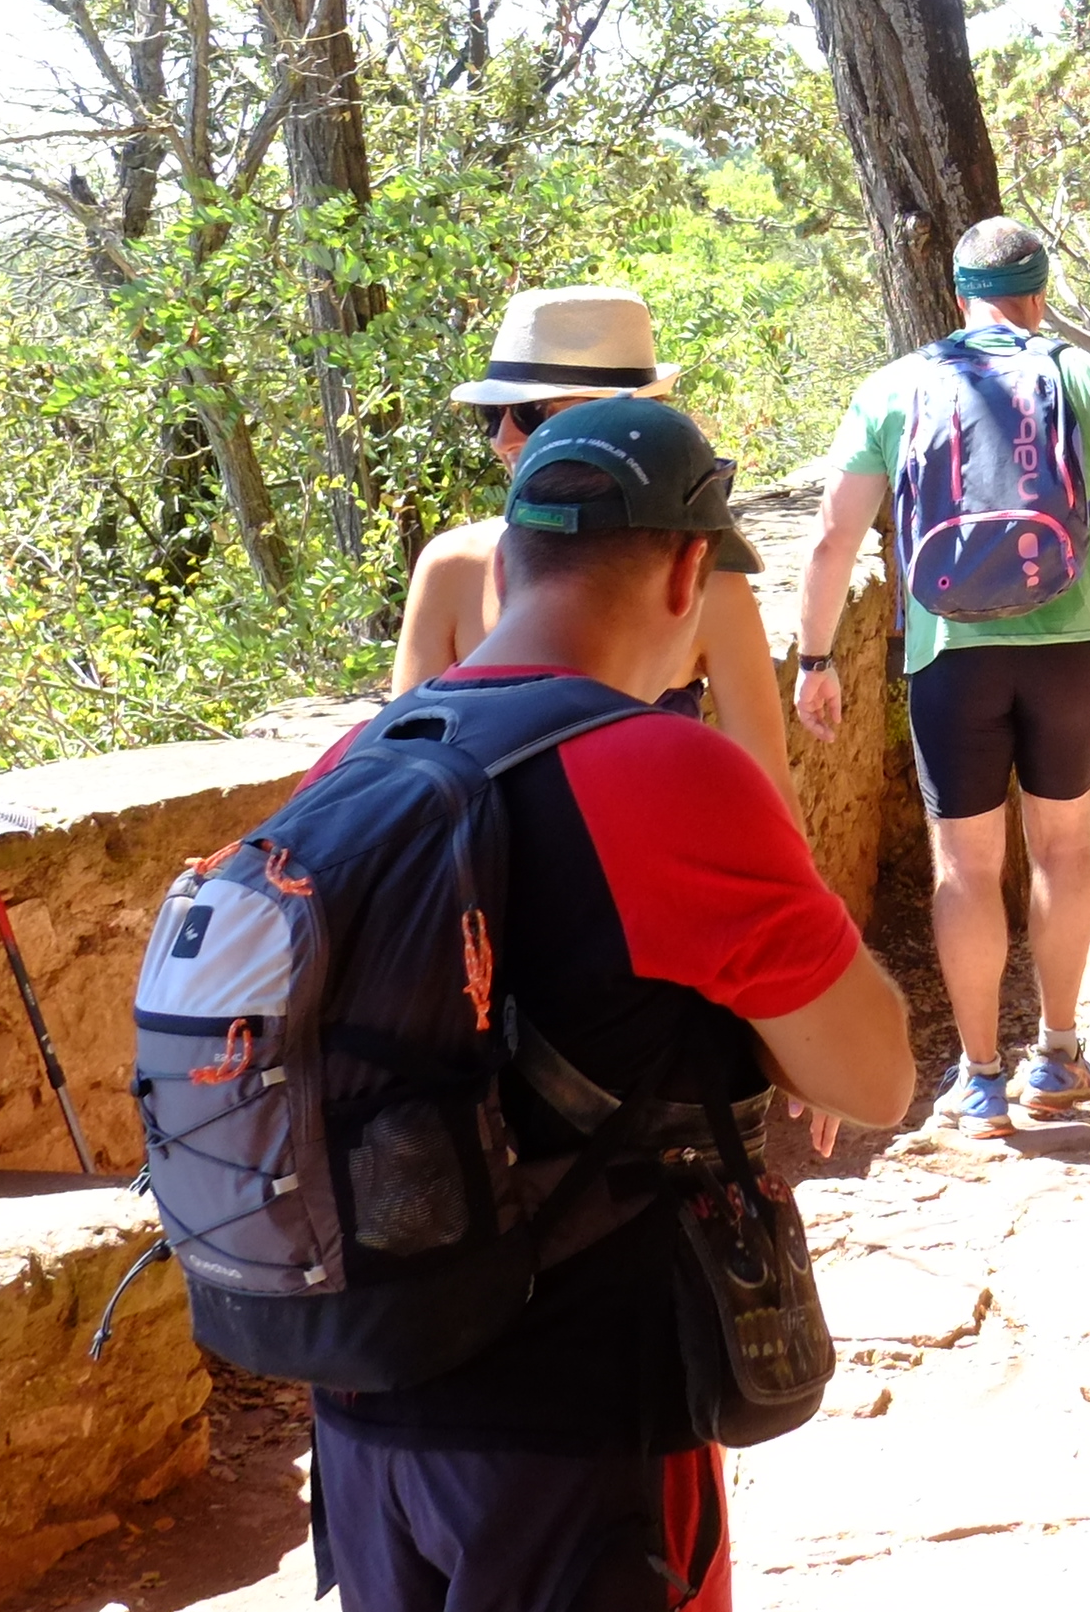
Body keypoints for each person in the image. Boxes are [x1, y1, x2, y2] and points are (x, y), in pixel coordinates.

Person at [305, 397, 914, 1612]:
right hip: (581, 1415)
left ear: (508, 560)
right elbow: (875, 1076)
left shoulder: (356, 764)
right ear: (691, 570)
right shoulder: (660, 772)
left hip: (368, 1407)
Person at [792, 217, 1090, 1133]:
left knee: (965, 869)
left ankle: (979, 1077)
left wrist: (812, 657)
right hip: (1070, 651)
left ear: (958, 292)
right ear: (1040, 290)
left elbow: (832, 536)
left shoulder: (897, 386)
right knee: (1064, 851)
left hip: (949, 654)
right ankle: (1059, 1053)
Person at [394, 285, 791, 809]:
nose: (502, 439)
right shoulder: (450, 565)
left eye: (533, 411)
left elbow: (769, 797)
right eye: (493, 417)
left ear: (626, 420)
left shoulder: (712, 583)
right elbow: (406, 779)